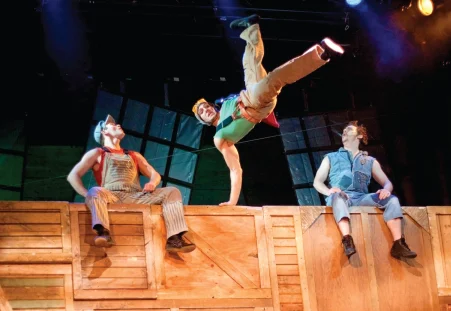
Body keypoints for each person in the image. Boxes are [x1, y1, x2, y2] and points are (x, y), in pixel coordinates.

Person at [192, 14, 345, 206]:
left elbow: (239, 94)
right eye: (202, 112)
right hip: (256, 104)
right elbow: (235, 170)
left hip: (250, 92)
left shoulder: (224, 106)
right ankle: (321, 55)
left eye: (206, 106)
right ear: (204, 121)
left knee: (250, 62)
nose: (206, 109)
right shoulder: (220, 138)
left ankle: (251, 28)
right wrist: (232, 201)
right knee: (276, 78)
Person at [67, 114, 196, 253]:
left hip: (136, 196)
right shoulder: (98, 153)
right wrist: (87, 195)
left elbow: (155, 174)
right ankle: (103, 232)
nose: (118, 125)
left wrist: (152, 183)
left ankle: (174, 238)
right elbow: (73, 176)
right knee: (95, 190)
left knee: (172, 191)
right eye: (112, 125)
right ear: (104, 132)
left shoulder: (133, 155)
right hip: (111, 196)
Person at [313, 121, 417, 260]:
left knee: (392, 199)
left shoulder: (369, 161)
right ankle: (347, 240)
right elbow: (317, 182)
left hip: (361, 198)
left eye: (348, 130)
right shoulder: (331, 157)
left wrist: (386, 190)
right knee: (338, 196)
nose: (344, 132)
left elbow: (387, 182)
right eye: (343, 131)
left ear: (360, 135)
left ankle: (398, 244)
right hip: (341, 197)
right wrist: (329, 191)